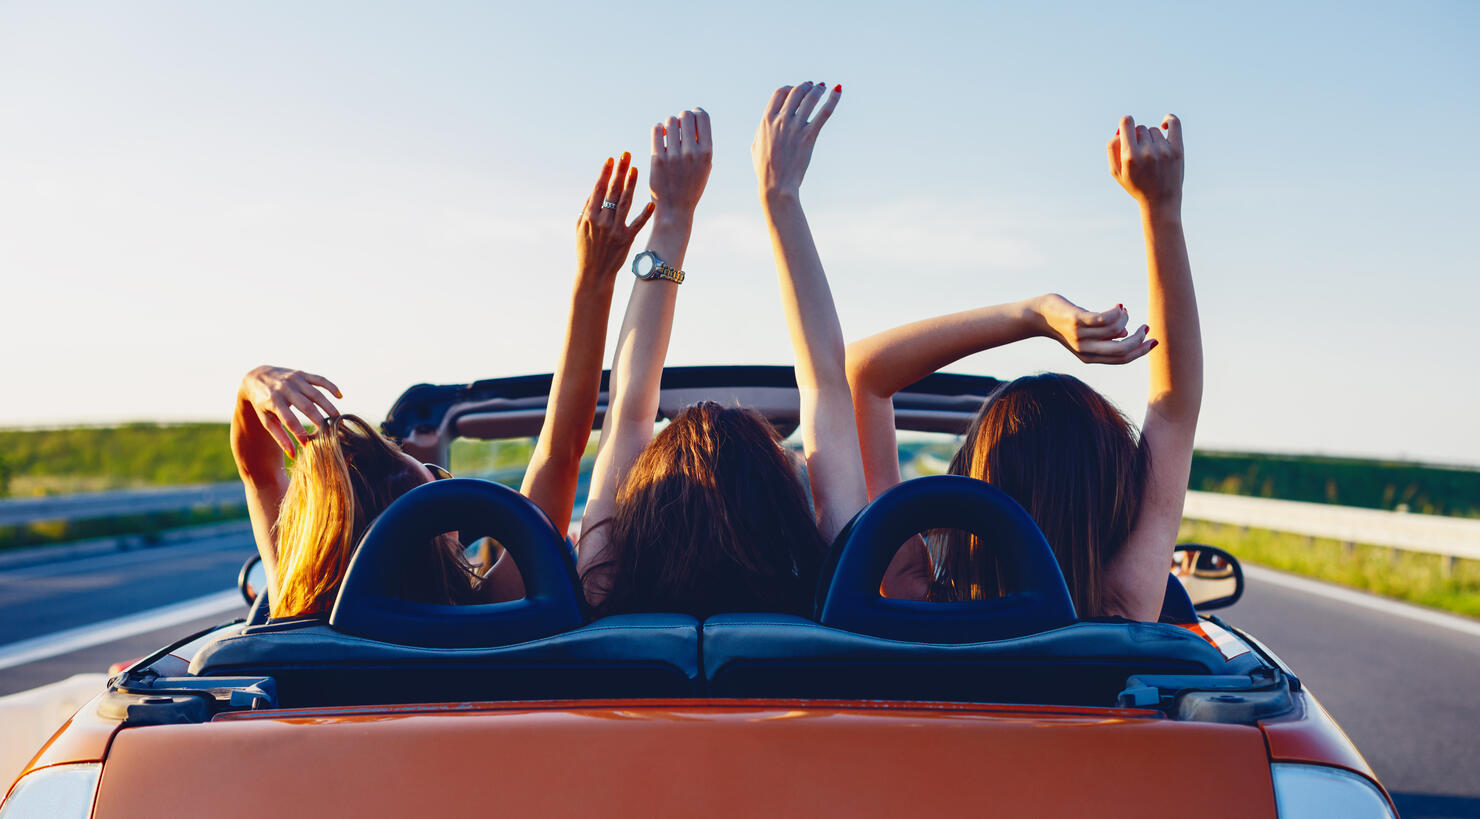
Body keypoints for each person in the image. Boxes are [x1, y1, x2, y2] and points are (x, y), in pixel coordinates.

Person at [232, 152, 655, 620]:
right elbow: (559, 449)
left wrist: (254, 383)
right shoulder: (494, 606)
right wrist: (593, 275)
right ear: (436, 524)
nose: (441, 475)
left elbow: (256, 468)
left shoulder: (298, 606)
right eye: (437, 474)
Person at [847, 114, 1198, 622]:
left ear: (974, 476)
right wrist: (1161, 209)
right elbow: (1174, 411)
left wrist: (1034, 315)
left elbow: (859, 375)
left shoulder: (914, 597)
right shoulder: (1122, 606)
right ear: (1113, 497)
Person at [578, 86, 869, 619]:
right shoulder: (835, 595)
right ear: (783, 505)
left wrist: (672, 217)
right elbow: (825, 383)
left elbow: (627, 409)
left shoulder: (602, 594)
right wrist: (779, 195)